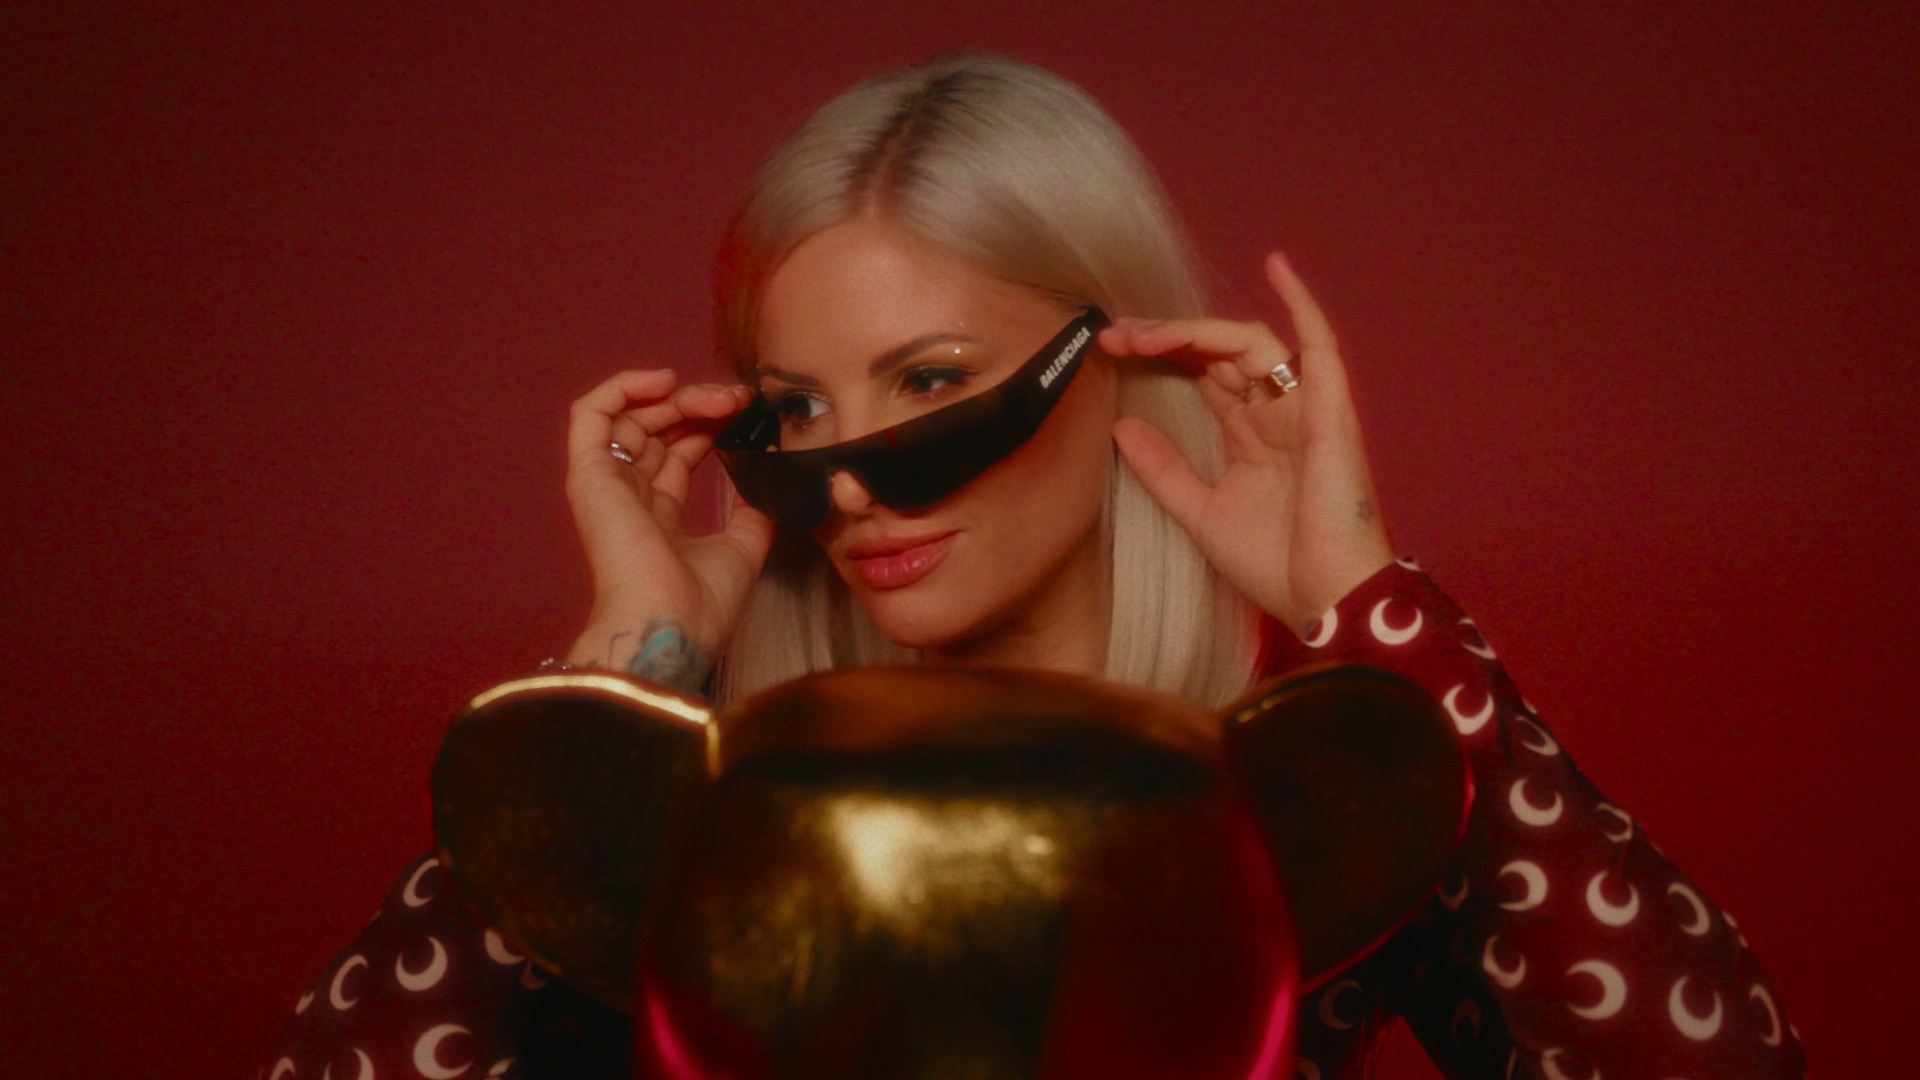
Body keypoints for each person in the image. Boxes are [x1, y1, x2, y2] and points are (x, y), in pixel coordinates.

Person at [260, 53, 1804, 1079]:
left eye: (932, 381)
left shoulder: (1269, 788)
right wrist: (629, 668)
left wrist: (1365, 604)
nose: (849, 482)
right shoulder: (714, 793)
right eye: (799, 409)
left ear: (1115, 354)